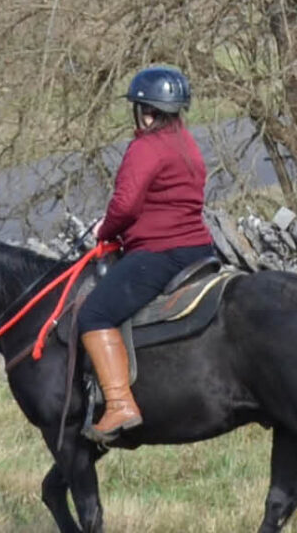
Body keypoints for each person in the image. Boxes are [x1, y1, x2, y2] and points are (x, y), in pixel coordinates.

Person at [78, 65, 215, 443]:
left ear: (145, 110)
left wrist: (104, 232)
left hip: (159, 253)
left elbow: (124, 206)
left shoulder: (145, 147)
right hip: (199, 250)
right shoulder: (187, 142)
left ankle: (120, 404)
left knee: (94, 313)